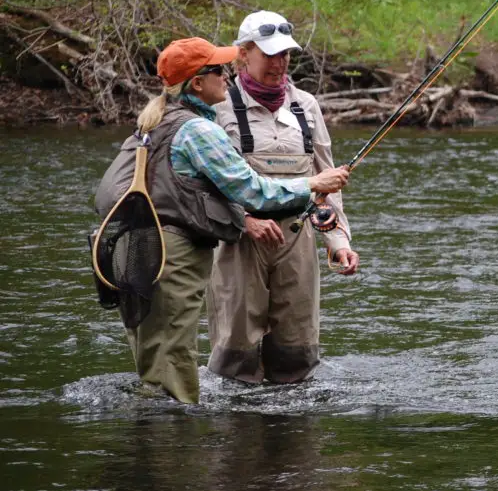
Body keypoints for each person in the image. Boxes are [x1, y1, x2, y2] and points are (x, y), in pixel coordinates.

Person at [94, 37, 351, 404]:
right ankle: (173, 448)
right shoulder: (198, 131)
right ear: (197, 83)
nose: (228, 76)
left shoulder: (154, 122)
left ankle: (154, 444)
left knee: (156, 361)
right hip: (172, 257)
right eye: (218, 70)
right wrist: (313, 183)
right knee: (174, 366)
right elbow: (254, 191)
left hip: (139, 252)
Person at [206, 10, 359, 385]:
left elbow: (325, 183)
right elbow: (203, 186)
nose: (280, 62)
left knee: (297, 356)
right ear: (243, 54)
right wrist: (245, 221)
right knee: (235, 360)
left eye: (286, 54)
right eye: (270, 54)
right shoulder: (216, 107)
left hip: (298, 238)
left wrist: (338, 242)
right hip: (240, 241)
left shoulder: (306, 105)